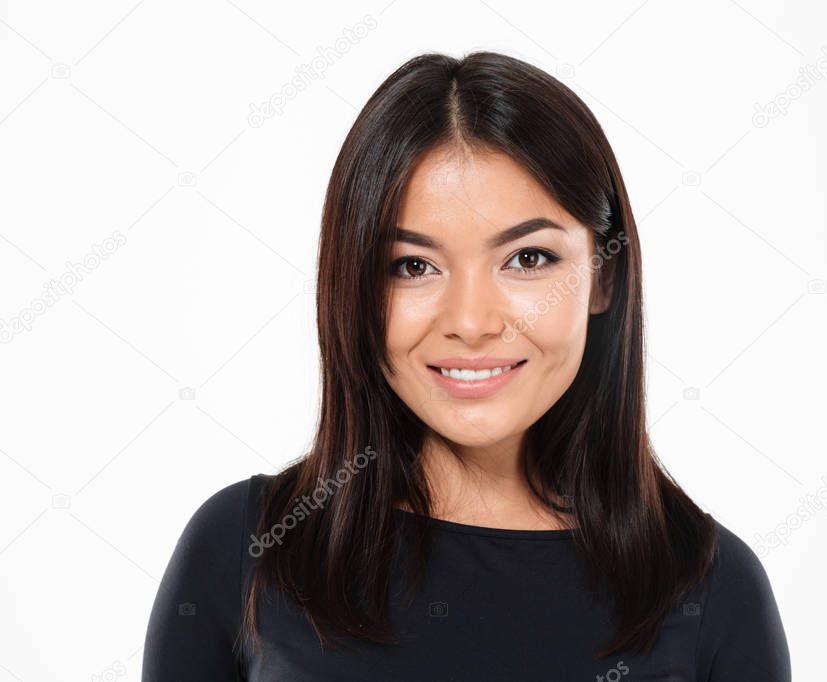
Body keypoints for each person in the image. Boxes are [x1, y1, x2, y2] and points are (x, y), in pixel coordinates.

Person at [142, 50, 792, 681]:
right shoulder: (246, 548)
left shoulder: (709, 588)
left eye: (528, 259)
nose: (472, 321)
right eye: (412, 266)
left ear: (603, 277)